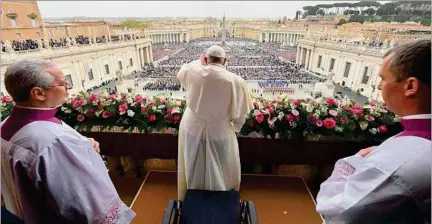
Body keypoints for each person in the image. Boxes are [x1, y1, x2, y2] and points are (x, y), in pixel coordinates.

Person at [1, 59, 136, 223]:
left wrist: (83, 144)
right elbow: (84, 200)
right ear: (38, 93)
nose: (68, 87)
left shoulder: (6, 126)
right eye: (63, 83)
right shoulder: (53, 141)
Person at [316, 39, 431, 223]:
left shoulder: (398, 162)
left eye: (383, 79)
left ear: (410, 86)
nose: (379, 86)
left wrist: (352, 163)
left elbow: (333, 209)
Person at [176, 45, 253, 201]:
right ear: (225, 61)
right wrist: (235, 127)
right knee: (222, 166)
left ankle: (193, 195)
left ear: (205, 59)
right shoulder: (236, 81)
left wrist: (201, 61)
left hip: (192, 128)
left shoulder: (193, 69)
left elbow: (182, 72)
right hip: (220, 130)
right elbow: (241, 115)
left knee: (194, 163)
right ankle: (221, 198)